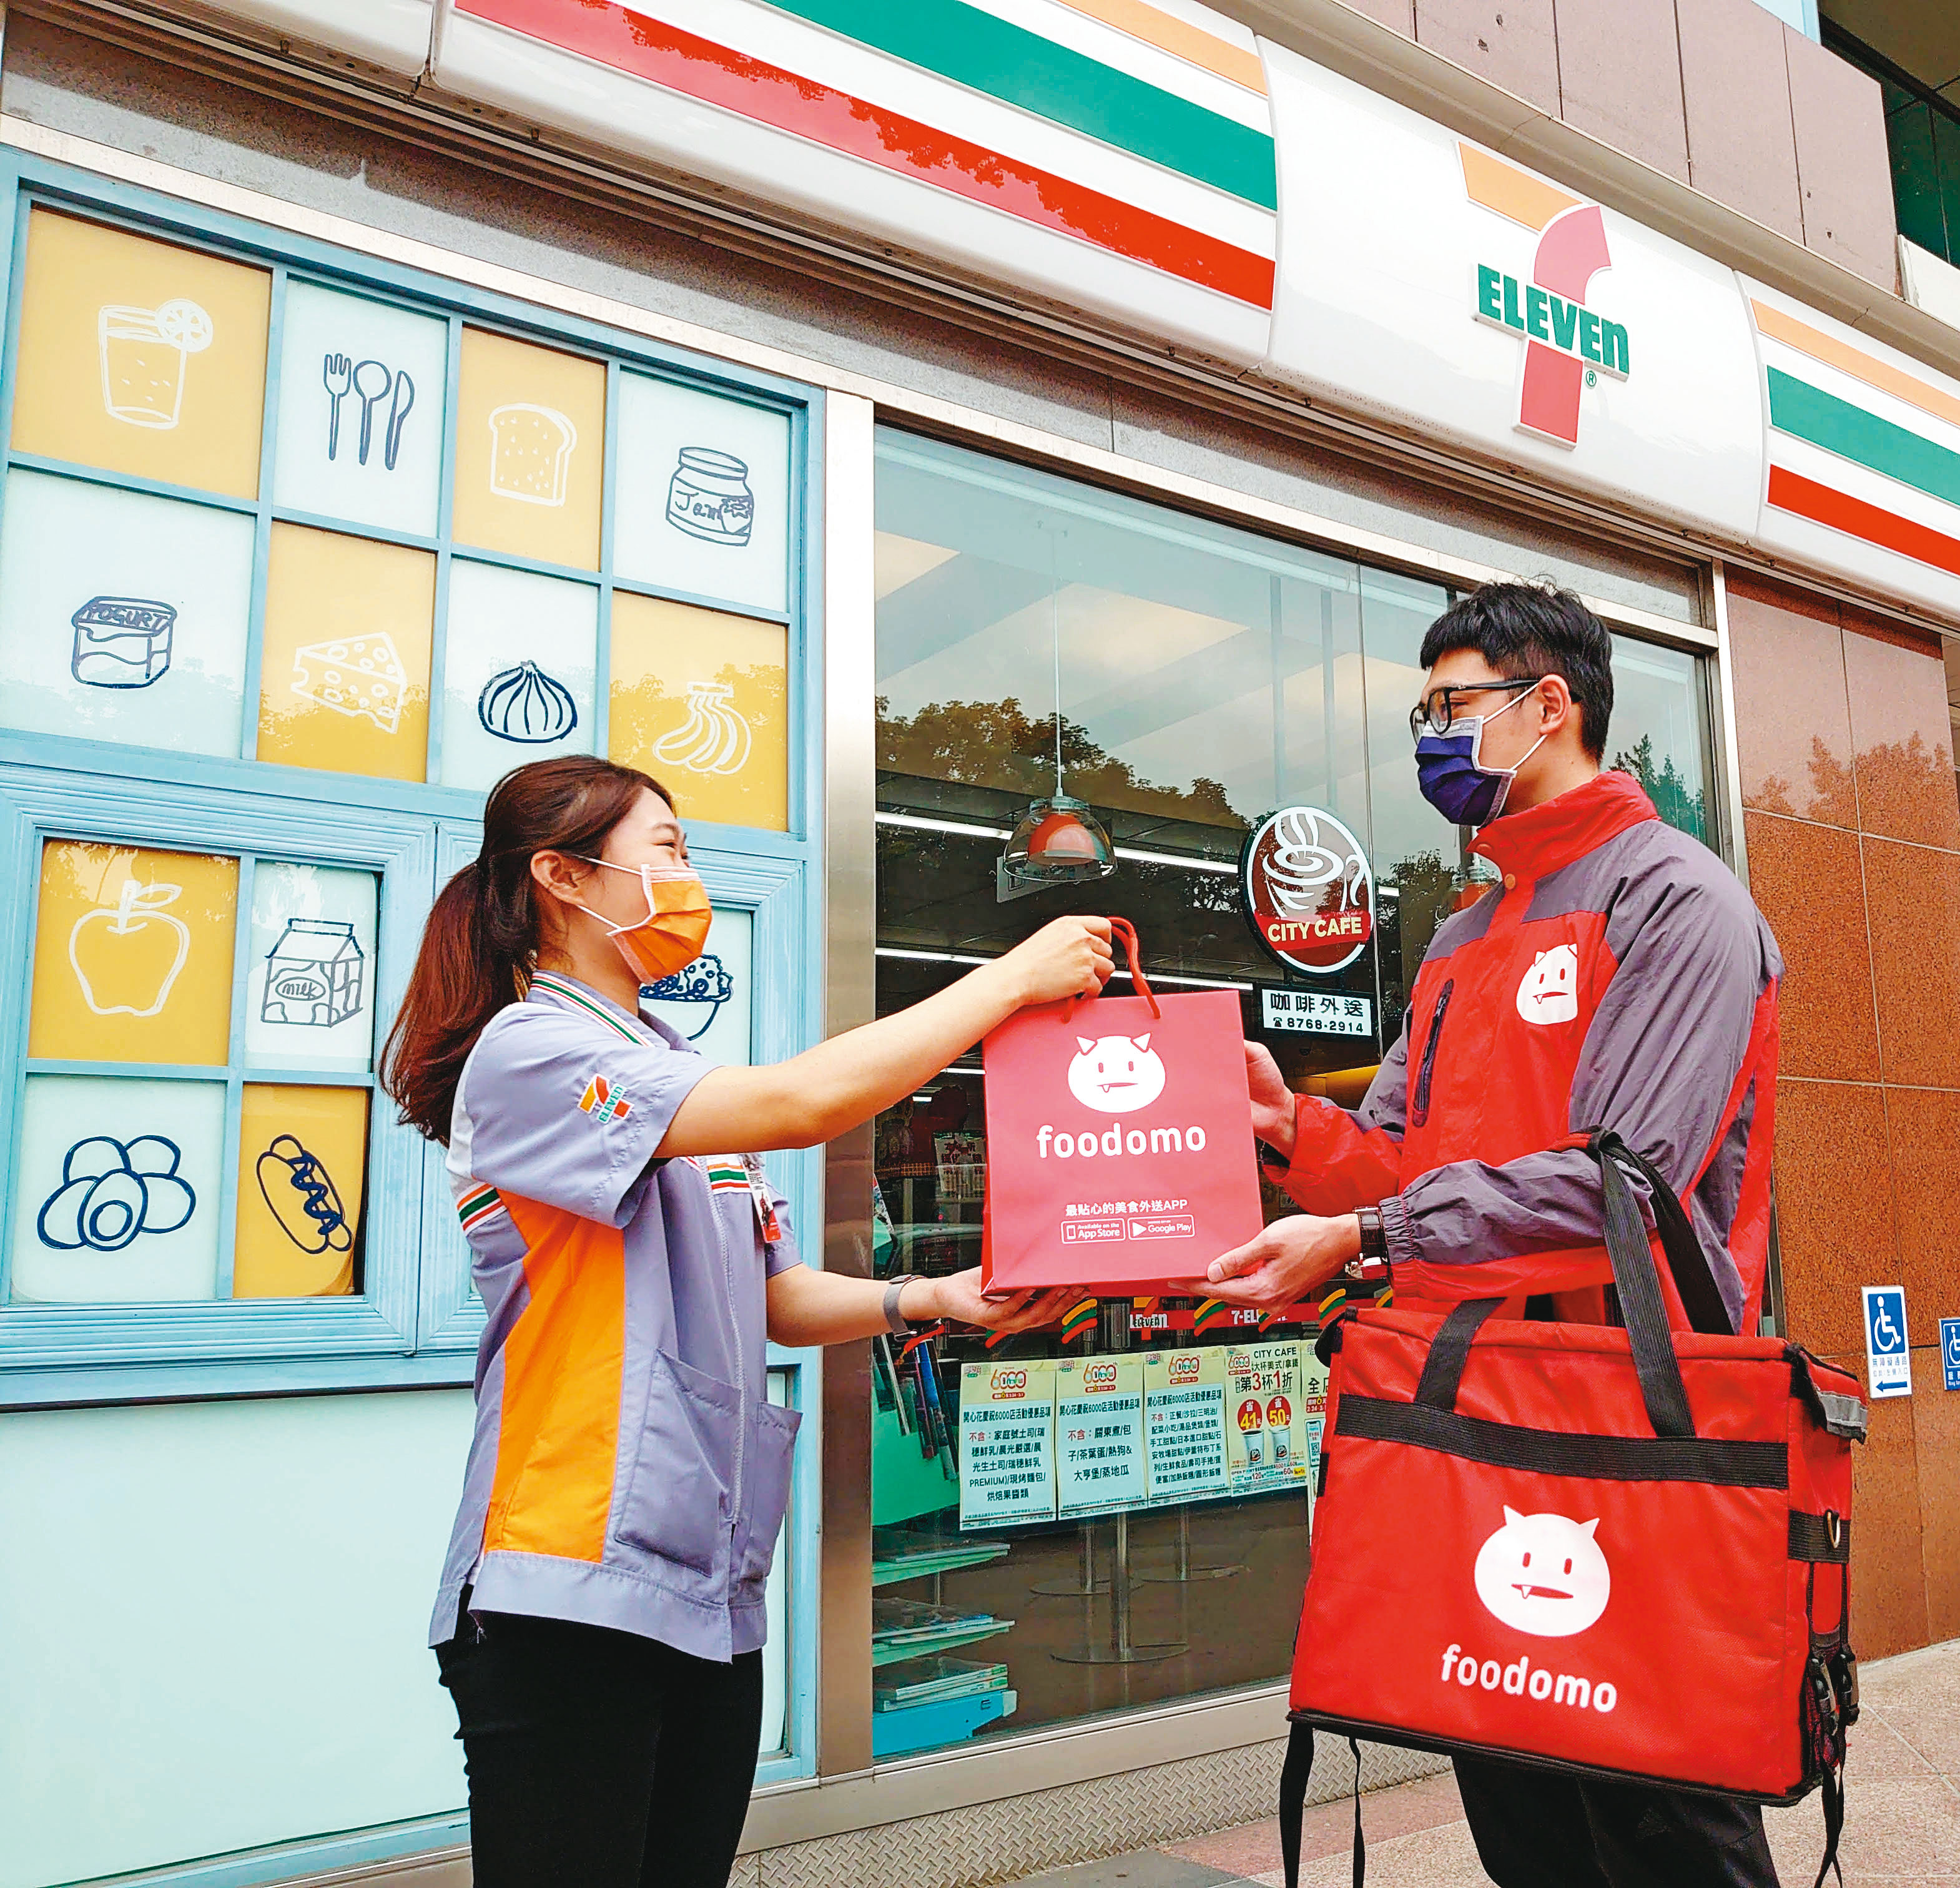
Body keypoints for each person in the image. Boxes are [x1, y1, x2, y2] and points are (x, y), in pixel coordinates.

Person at [382, 755, 1106, 1888]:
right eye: (664, 848)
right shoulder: (527, 1055)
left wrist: (929, 1298)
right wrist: (1007, 980)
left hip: (705, 1580)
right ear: (566, 877)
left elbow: (771, 1294)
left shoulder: (666, 1068)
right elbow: (805, 1102)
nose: (687, 874)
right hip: (565, 1572)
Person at [1204, 582, 1786, 1888]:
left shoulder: (1677, 899)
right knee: (1518, 1809)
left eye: (1450, 706)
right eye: (1424, 710)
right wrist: (1291, 1125)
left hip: (1634, 1427)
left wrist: (1368, 1234)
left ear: (1548, 707)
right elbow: (1416, 1165)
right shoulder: (1465, 936)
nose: (1431, 735)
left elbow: (1621, 1189)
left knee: (1661, 1815)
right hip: (1473, 1422)